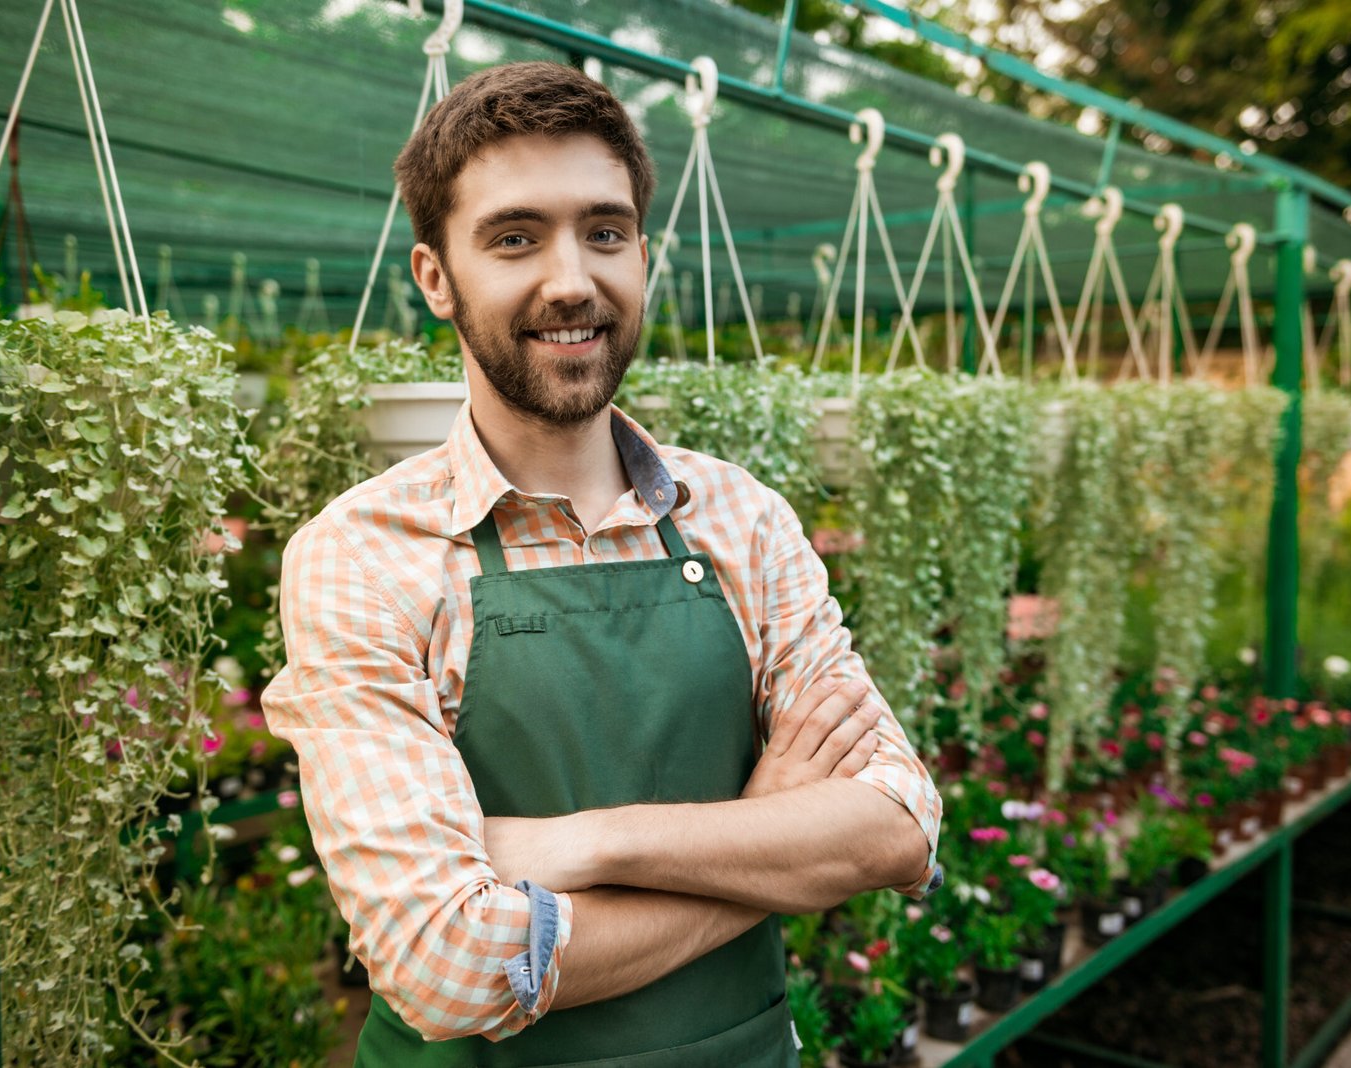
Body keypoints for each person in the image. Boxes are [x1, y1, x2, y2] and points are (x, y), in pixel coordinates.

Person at [261, 61, 942, 1067]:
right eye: (515, 237)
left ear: (643, 254)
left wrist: (593, 843)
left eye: (605, 231)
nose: (572, 279)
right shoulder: (362, 557)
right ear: (435, 277)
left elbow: (896, 825)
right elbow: (448, 965)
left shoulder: (742, 518)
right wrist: (766, 839)